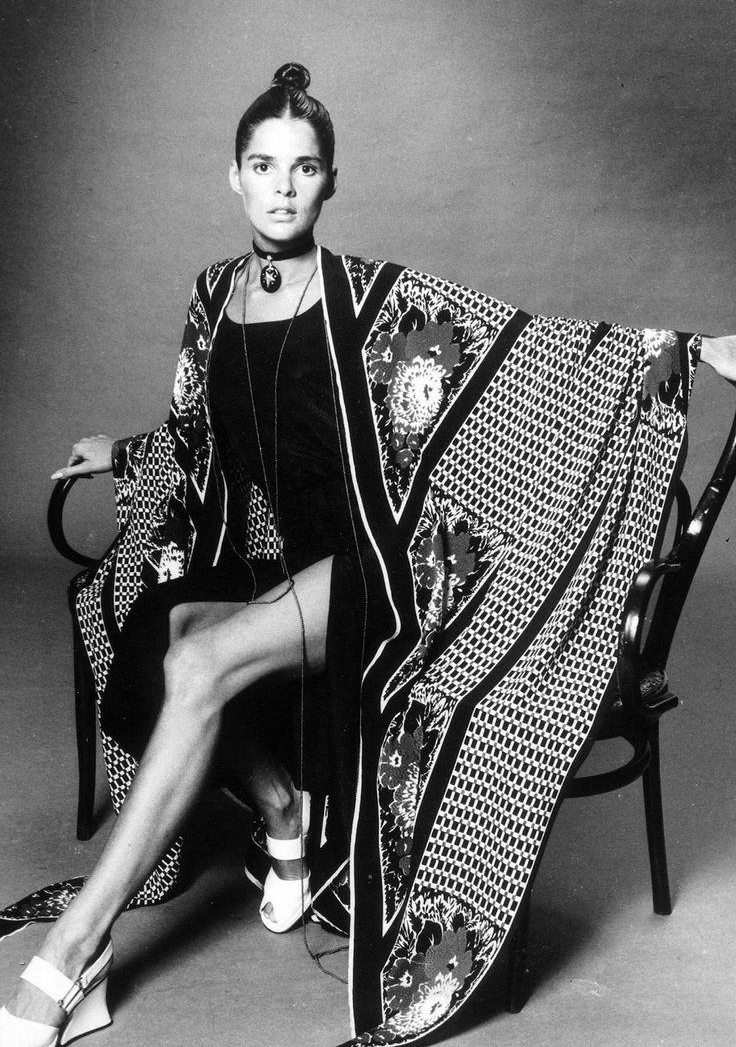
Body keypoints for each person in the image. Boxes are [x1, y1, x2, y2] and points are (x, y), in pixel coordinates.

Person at [1, 63, 735, 1047]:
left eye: (304, 169)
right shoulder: (213, 295)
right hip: (275, 560)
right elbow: (199, 436)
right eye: (264, 165)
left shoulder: (371, 298)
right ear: (233, 175)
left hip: (376, 567)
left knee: (203, 661)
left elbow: (531, 352)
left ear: (330, 183)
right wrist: (126, 453)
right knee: (151, 635)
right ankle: (285, 813)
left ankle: (69, 958)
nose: (282, 186)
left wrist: (687, 347)